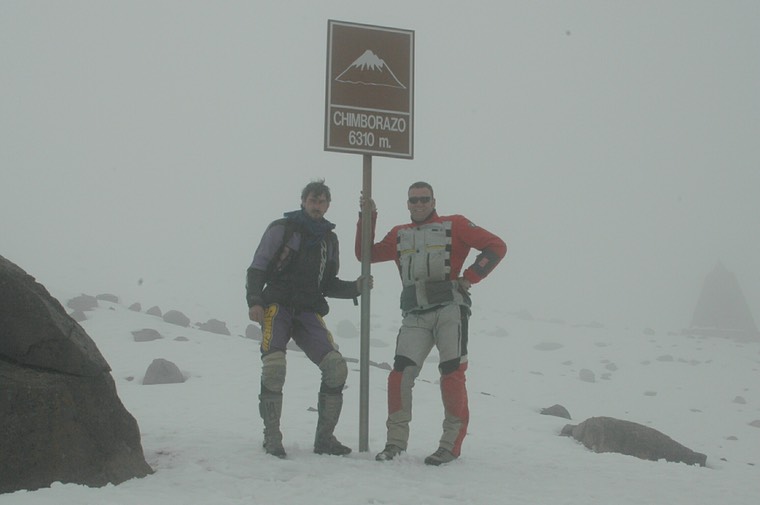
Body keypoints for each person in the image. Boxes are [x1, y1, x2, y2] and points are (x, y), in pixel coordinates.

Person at [355, 181, 506, 465]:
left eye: (424, 199)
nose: (419, 204)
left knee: (451, 375)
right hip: (414, 313)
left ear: (434, 200)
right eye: (414, 200)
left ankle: (450, 445)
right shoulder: (400, 234)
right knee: (399, 376)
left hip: (450, 309)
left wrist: (470, 277)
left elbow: (496, 246)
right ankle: (395, 443)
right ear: (407, 204)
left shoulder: (456, 224)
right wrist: (367, 217)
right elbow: (365, 254)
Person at [246, 179, 371, 458]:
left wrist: (356, 287)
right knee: (274, 367)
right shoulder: (282, 228)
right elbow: (258, 267)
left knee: (336, 367)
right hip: (276, 307)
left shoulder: (329, 239)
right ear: (303, 201)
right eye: (312, 200)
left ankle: (324, 440)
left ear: (328, 205)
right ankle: (272, 437)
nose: (317, 205)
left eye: (322, 201)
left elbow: (327, 283)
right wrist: (254, 301)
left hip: (307, 311)